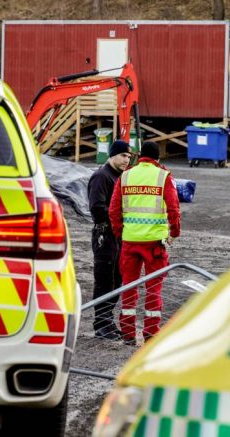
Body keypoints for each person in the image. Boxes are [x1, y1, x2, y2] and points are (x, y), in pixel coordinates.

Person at [109, 141, 181, 345]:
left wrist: (120, 233)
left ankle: (128, 334)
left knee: (129, 287)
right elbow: (174, 208)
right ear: (157, 159)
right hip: (154, 244)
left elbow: (114, 210)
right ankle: (150, 334)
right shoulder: (163, 176)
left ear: (139, 157)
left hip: (130, 241)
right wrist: (174, 232)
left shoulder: (126, 176)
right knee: (153, 288)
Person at [87, 139, 133, 340]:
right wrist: (118, 218)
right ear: (112, 155)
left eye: (129, 157)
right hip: (105, 236)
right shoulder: (101, 177)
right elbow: (97, 208)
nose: (126, 160)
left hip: (118, 236)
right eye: (123, 156)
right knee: (105, 280)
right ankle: (101, 324)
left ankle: (107, 320)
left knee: (118, 279)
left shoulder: (120, 177)